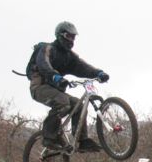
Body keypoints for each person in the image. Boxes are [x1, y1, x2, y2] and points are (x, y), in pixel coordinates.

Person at [25, 21, 110, 151]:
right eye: (68, 36)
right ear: (60, 35)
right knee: (63, 102)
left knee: (78, 105)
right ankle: (48, 137)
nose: (71, 40)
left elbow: (82, 67)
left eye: (73, 37)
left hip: (55, 90)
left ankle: (82, 141)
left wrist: (99, 73)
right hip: (39, 87)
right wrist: (55, 77)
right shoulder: (47, 49)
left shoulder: (69, 56)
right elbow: (43, 64)